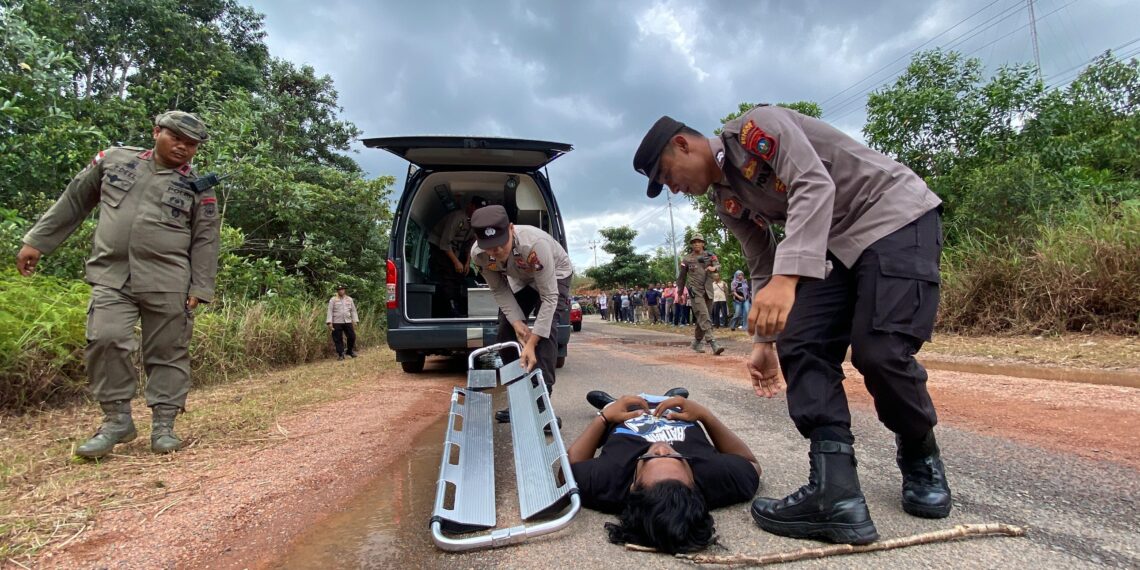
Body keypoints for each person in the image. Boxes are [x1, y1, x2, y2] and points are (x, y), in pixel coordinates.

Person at [633, 109, 950, 545]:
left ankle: (920, 453)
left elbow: (812, 184)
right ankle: (835, 493)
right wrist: (765, 340)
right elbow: (761, 260)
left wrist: (787, 281)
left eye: (668, 175)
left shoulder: (756, 129)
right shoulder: (726, 200)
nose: (674, 188)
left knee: (880, 350)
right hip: (831, 245)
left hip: (892, 217)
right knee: (802, 342)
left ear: (684, 145)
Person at [16, 111, 219, 458]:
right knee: (105, 339)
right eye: (176, 139)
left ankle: (164, 427)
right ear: (157, 132)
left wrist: (200, 288)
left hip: (169, 280)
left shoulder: (198, 186)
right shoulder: (114, 161)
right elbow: (74, 201)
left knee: (168, 352)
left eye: (191, 145)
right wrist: (38, 241)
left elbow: (205, 240)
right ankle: (116, 421)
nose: (183, 148)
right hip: (112, 275)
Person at [570, 390, 761, 554]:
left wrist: (604, 417)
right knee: (674, 399)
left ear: (633, 486)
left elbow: (568, 470)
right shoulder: (713, 477)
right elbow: (751, 463)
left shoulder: (609, 480)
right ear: (693, 482)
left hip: (625, 411)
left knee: (624, 402)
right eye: (677, 457)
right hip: (676, 410)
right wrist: (704, 415)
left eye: (650, 458)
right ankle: (670, 397)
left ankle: (609, 402)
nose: (662, 447)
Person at [470, 205, 572, 423]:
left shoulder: (534, 245)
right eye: (489, 247)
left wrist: (531, 343)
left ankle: (542, 406)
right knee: (505, 332)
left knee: (546, 333)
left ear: (511, 228)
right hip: (520, 278)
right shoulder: (479, 255)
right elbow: (499, 289)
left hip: (555, 274)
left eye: (500, 244)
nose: (495, 252)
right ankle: (519, 400)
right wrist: (517, 323)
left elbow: (549, 298)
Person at [430, 195, 489, 317]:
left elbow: (469, 244)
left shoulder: (476, 224)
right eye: (477, 209)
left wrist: (467, 263)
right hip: (441, 249)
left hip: (457, 250)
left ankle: (460, 305)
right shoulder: (457, 217)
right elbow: (444, 243)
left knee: (464, 274)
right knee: (449, 274)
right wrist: (456, 262)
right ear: (471, 206)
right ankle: (450, 308)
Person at [677, 235, 723, 355]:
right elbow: (681, 278)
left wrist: (714, 268)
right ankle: (713, 342)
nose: (696, 244)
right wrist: (680, 293)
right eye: (694, 242)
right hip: (695, 291)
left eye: (699, 242)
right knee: (704, 315)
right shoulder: (686, 259)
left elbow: (719, 266)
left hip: (708, 291)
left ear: (703, 243)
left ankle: (696, 342)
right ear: (691, 244)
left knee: (703, 318)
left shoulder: (710, 255)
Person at [326, 285, 360, 360]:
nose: (341, 291)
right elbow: (330, 311)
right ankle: (341, 354)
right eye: (339, 290)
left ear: (344, 290)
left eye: (342, 289)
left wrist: (355, 320)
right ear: (337, 291)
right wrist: (329, 322)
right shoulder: (333, 300)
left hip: (347, 321)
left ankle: (349, 351)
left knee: (352, 336)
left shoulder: (349, 299)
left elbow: (353, 310)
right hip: (337, 321)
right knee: (337, 338)